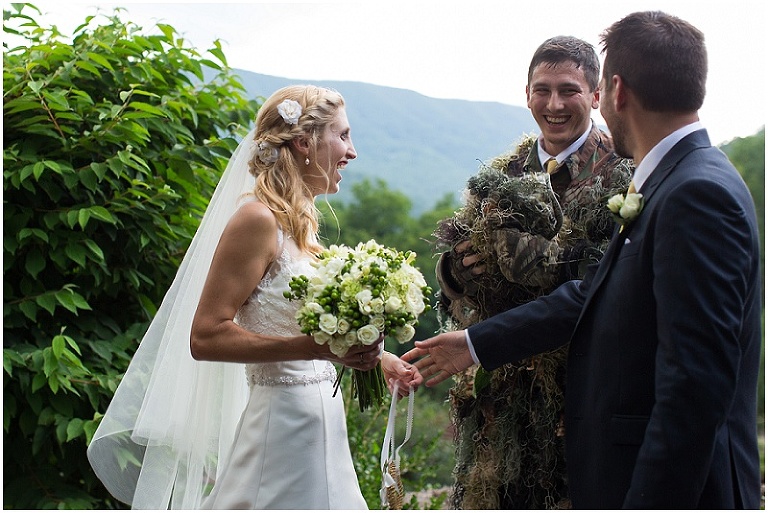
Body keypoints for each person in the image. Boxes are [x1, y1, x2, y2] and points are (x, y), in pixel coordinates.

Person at [405, 11, 762, 509]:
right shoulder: (681, 179)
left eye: (570, 90)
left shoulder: (694, 193)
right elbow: (604, 293)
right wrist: (476, 339)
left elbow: (695, 389)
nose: (554, 104)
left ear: (610, 92)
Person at [87, 85, 422, 509]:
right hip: (279, 430)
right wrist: (313, 348)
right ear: (304, 143)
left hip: (322, 431)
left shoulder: (302, 226)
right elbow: (205, 337)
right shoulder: (256, 220)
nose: (352, 151)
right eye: (343, 136)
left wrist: (379, 360)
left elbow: (307, 331)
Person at [433, 36, 631, 508]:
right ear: (526, 94)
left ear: (597, 96)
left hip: (583, 398)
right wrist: (456, 270)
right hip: (497, 404)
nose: (554, 104)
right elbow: (452, 288)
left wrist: (533, 261)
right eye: (542, 90)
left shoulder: (624, 173)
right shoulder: (503, 173)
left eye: (569, 90)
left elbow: (610, 289)